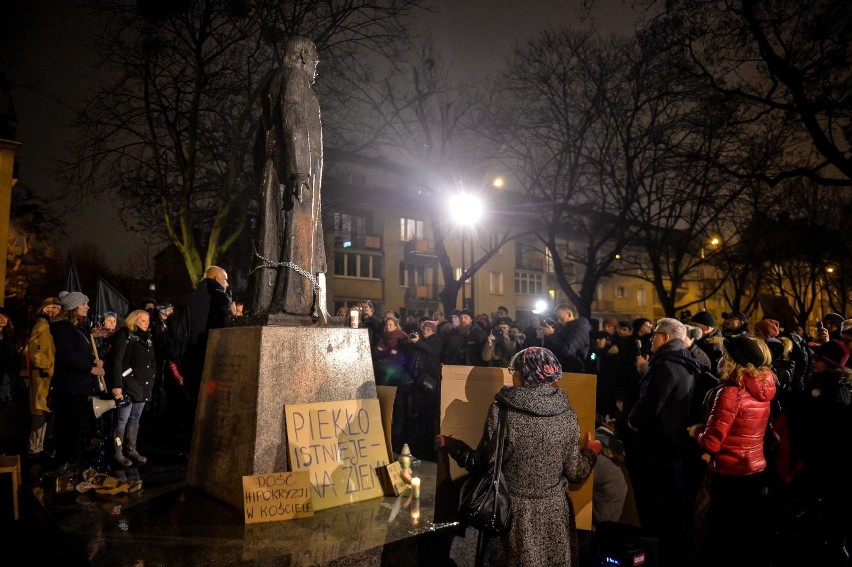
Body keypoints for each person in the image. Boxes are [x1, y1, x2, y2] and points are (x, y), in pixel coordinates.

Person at [437, 347, 599, 567]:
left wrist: (451, 444)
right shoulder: (567, 416)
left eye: (514, 370)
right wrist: (591, 451)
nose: (511, 375)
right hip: (553, 518)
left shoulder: (502, 413)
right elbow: (575, 473)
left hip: (511, 517)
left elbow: (480, 465)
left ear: (524, 375)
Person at [250, 36, 326, 319]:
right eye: (315, 59)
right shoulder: (294, 79)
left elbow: (259, 139)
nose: (316, 66)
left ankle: (265, 300)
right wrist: (300, 169)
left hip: (275, 170)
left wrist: (261, 175)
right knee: (297, 236)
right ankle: (294, 303)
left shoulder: (272, 81)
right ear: (304, 56)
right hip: (294, 173)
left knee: (272, 235)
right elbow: (294, 119)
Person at [687, 335, 777, 566]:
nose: (721, 358)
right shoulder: (763, 388)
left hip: (729, 474)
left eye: (725, 355)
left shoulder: (730, 393)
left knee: (721, 536)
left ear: (734, 360)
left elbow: (712, 442)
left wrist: (696, 431)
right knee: (745, 535)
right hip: (754, 469)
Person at [627, 317, 700, 567]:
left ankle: (660, 555)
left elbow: (650, 404)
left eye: (655, 334)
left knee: (659, 508)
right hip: (673, 445)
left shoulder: (665, 365)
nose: (651, 339)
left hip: (657, 447)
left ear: (666, 338)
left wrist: (632, 420)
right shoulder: (685, 362)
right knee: (672, 506)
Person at [787, 339, 852, 565]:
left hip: (827, 458)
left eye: (819, 360)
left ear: (830, 363)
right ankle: (826, 541)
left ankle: (833, 546)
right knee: (819, 500)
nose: (814, 362)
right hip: (820, 457)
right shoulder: (825, 383)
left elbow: (820, 425)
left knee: (830, 502)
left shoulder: (833, 389)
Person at [49, 291, 106, 469]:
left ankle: (74, 457)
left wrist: (95, 360)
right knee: (68, 424)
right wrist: (91, 369)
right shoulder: (63, 328)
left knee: (77, 424)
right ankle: (64, 460)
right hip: (69, 386)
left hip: (80, 386)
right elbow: (66, 357)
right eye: (84, 304)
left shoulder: (79, 327)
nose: (87, 307)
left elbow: (81, 352)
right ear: (74, 307)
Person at [180, 265, 233, 442]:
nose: (227, 283)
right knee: (208, 404)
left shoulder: (190, 298)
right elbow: (227, 328)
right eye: (225, 279)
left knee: (191, 403)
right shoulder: (220, 298)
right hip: (210, 358)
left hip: (189, 358)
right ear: (218, 279)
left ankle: (188, 443)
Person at [108, 309, 156, 467]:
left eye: (147, 321)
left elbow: (151, 361)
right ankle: (118, 452)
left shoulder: (147, 338)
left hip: (143, 386)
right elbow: (117, 361)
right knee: (122, 420)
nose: (146, 323)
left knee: (135, 419)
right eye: (143, 320)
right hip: (128, 386)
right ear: (134, 320)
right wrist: (117, 385)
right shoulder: (124, 336)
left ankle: (131, 448)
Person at [26, 297, 62, 459]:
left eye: (56, 308)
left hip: (48, 380)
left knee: (45, 415)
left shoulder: (49, 326)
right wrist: (48, 366)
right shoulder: (41, 326)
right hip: (42, 379)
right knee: (39, 416)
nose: (53, 311)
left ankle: (40, 448)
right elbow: (33, 351)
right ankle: (34, 450)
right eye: (50, 307)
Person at [542, 303, 591, 373]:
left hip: (574, 371)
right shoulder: (560, 328)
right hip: (558, 370)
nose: (558, 321)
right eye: (557, 318)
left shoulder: (581, 326)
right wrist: (544, 337)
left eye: (561, 318)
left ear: (569, 314)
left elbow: (567, 350)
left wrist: (551, 335)